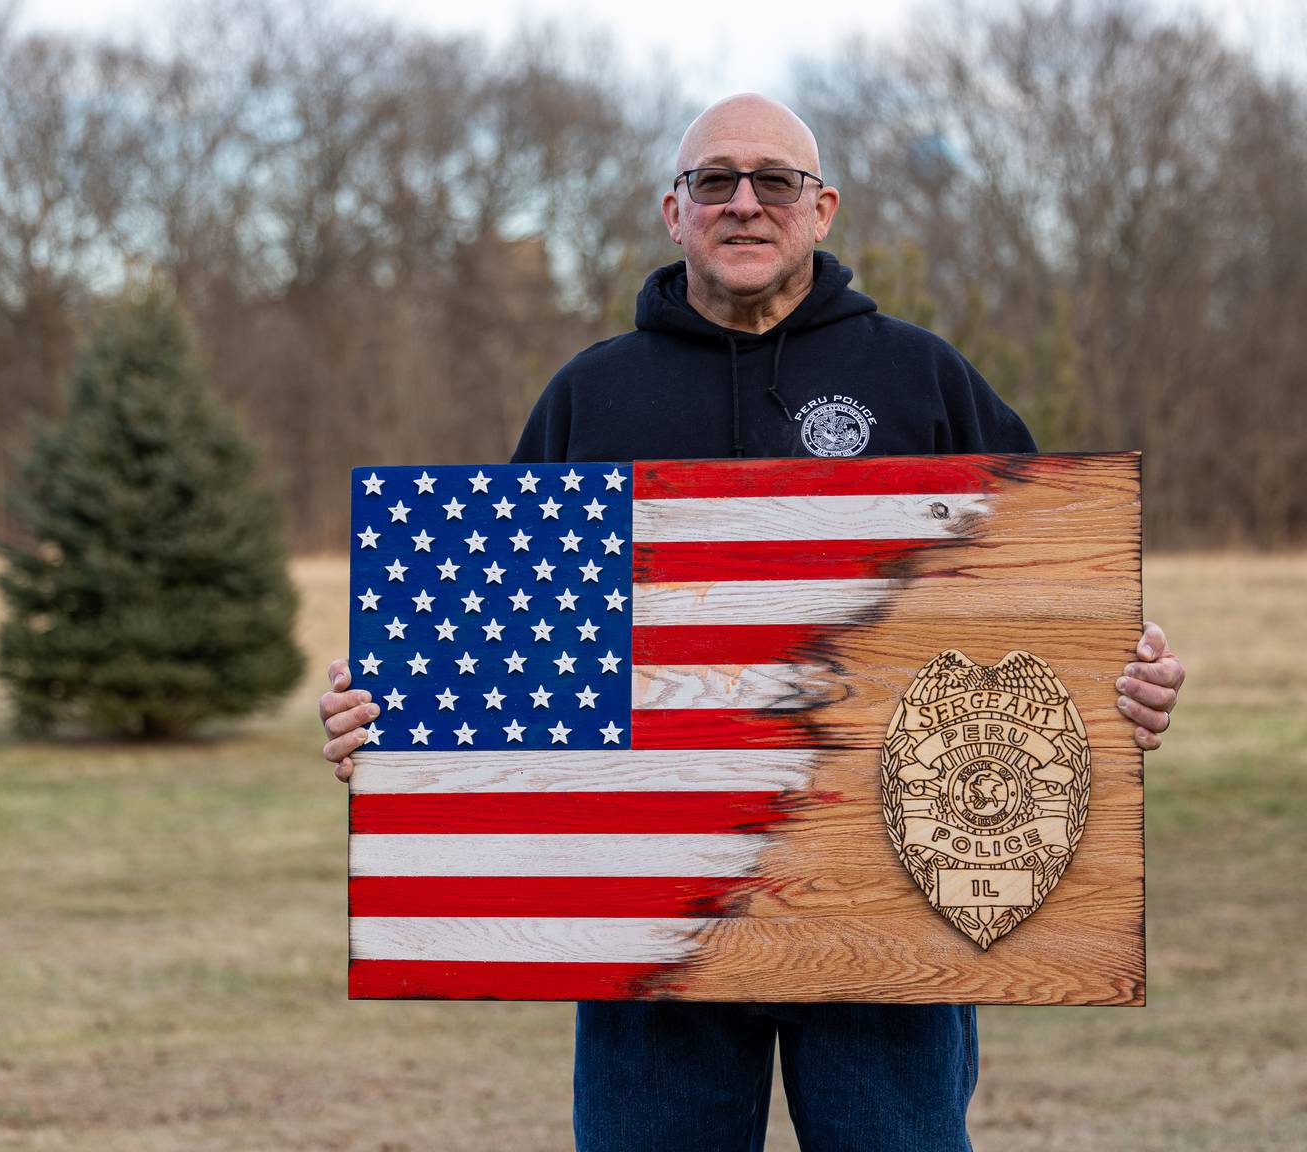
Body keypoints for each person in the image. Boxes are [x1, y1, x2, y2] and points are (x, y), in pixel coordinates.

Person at [320, 94, 1185, 1151]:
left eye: (773, 181)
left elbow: (1044, 607)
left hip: (884, 905)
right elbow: (497, 640)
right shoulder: (592, 397)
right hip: (650, 920)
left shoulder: (923, 381)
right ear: (671, 211)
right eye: (713, 181)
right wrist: (389, 721)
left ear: (821, 209)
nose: (743, 203)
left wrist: (1124, 684)